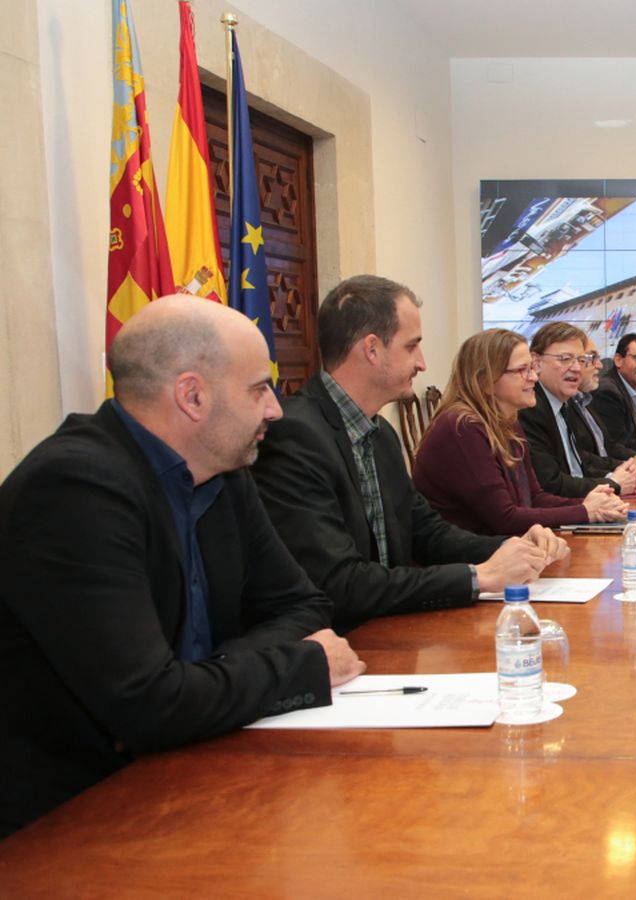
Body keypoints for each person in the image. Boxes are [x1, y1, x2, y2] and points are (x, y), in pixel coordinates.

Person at [0, 295, 364, 837]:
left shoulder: (224, 471)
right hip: (71, 818)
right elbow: (147, 704)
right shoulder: (74, 488)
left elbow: (303, 603)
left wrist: (205, 678)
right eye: (258, 388)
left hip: (197, 768)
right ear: (192, 396)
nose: (275, 410)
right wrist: (300, 666)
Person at [252, 275, 566, 631]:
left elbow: (427, 532)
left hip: (391, 628)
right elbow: (338, 583)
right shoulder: (295, 436)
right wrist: (478, 577)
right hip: (335, 641)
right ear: (372, 349)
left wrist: (513, 546)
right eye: (412, 346)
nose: (422, 363)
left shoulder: (380, 434)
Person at [413, 328, 627, 533]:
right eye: (522, 370)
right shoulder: (463, 426)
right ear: (486, 380)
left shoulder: (508, 421)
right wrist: (585, 511)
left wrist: (590, 504)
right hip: (474, 554)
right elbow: (505, 518)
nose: (534, 377)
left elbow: (534, 497)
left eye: (531, 368)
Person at [518, 323, 636, 499]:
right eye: (565, 359)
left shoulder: (565, 403)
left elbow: (579, 463)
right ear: (536, 363)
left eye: (580, 360)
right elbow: (550, 484)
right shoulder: (529, 409)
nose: (576, 368)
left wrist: (620, 473)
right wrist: (614, 483)